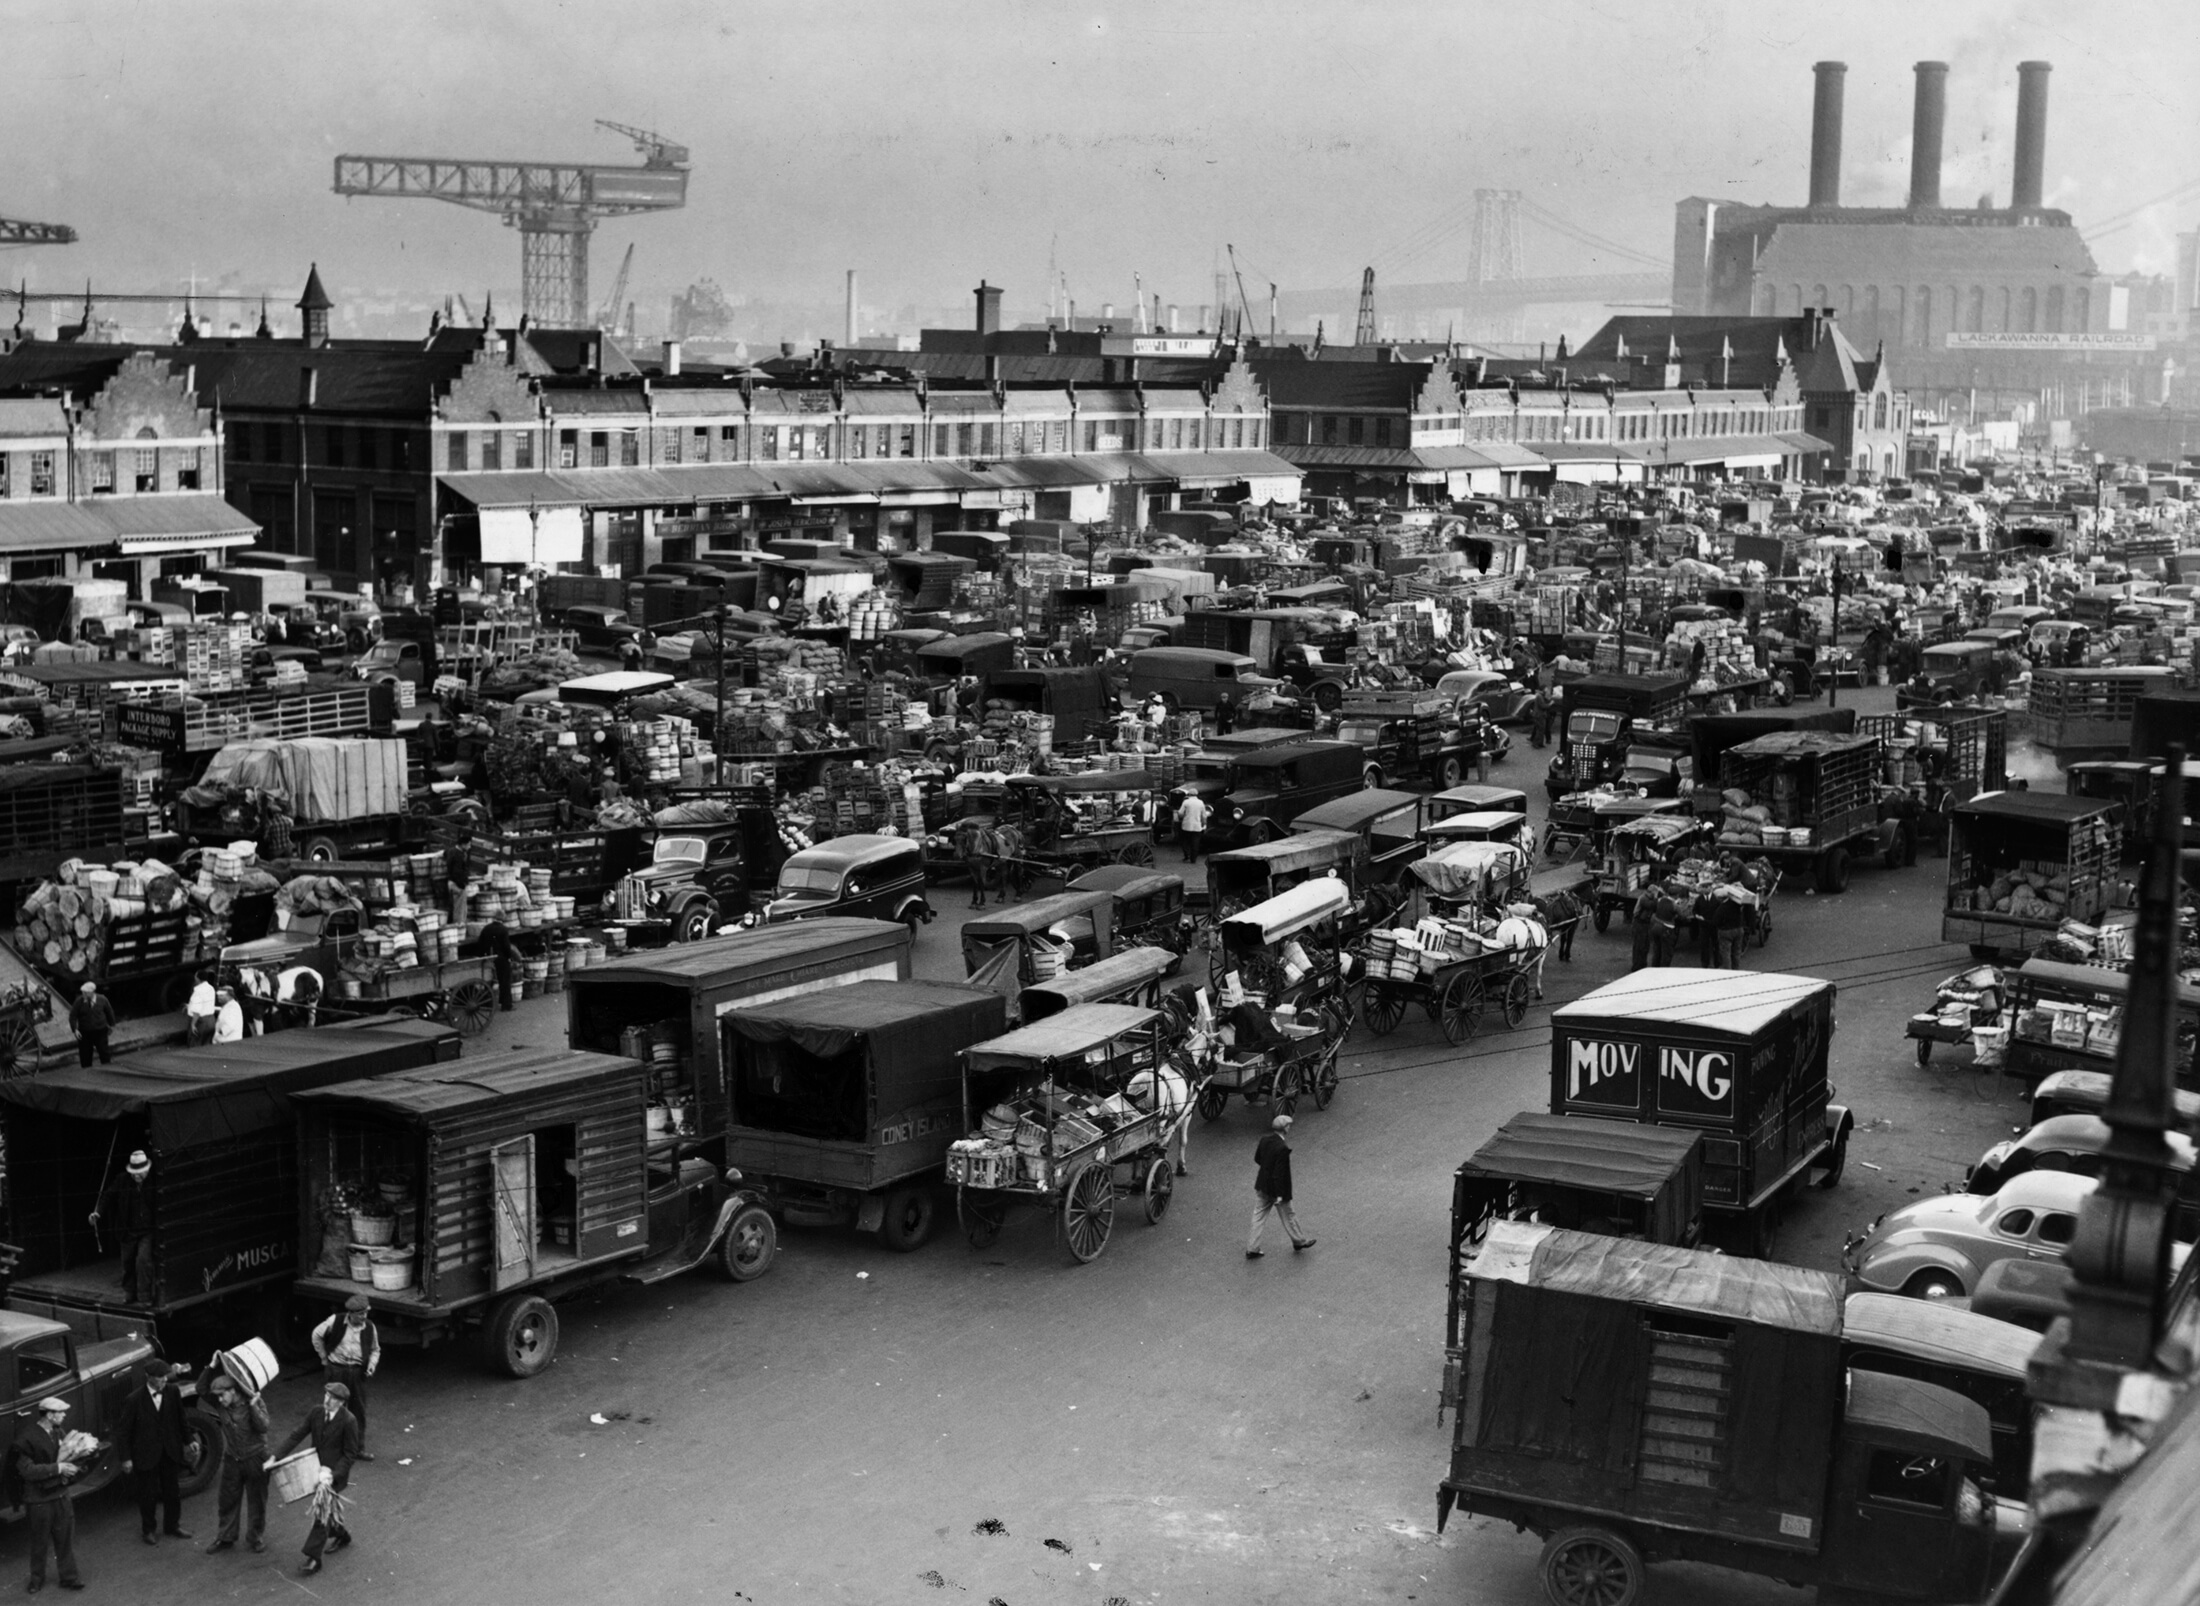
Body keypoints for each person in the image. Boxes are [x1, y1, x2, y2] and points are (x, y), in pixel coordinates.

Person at [275, 1380, 361, 1577]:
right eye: (326, 1395)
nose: (327, 1400)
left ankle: (314, 1558)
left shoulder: (349, 1421)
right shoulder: (316, 1412)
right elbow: (297, 1434)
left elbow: (350, 1454)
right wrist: (276, 1456)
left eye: (333, 1398)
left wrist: (332, 1475)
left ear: (342, 1403)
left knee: (322, 1513)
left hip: (333, 1476)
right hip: (314, 1470)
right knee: (328, 1511)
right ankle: (342, 1535)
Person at [12, 1396, 85, 1591]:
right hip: (39, 1501)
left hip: (60, 1496)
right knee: (39, 1543)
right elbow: (27, 1471)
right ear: (50, 1415)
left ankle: (69, 1577)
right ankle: (36, 1579)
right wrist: (58, 1468)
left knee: (65, 1540)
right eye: (60, 1412)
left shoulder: (58, 1431)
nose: (64, 1415)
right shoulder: (26, 1439)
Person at [196, 1365, 271, 1554]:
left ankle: (255, 1537)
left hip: (256, 1458)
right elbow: (200, 1389)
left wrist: (254, 1407)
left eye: (222, 1395)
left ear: (233, 1391)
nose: (219, 1400)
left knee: (257, 1501)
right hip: (233, 1459)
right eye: (218, 1397)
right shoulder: (221, 1404)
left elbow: (263, 1427)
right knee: (227, 1499)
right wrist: (210, 1367)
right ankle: (225, 1538)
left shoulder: (254, 1401)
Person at [118, 1360, 192, 1545]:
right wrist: (126, 1458)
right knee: (148, 1495)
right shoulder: (134, 1400)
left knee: (172, 1492)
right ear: (148, 1378)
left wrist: (189, 1440)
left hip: (169, 1451)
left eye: (165, 1376)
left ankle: (172, 1525)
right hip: (146, 1455)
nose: (164, 1380)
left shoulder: (173, 1392)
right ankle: (148, 1530)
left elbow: (181, 1418)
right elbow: (124, 1432)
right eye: (160, 1377)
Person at [311, 1295, 380, 1459]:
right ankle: (325, 1449)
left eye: (366, 1313)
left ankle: (357, 1449)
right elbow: (316, 1335)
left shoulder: (370, 1327)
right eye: (360, 1314)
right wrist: (323, 1357)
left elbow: (375, 1350)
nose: (364, 1317)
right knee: (331, 1410)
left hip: (357, 1374)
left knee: (358, 1412)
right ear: (350, 1314)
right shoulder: (335, 1321)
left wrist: (371, 1365)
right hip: (336, 1371)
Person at [92, 1149, 155, 1305]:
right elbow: (108, 1196)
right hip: (127, 1230)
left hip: (147, 1231)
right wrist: (97, 1212)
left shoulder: (154, 1181)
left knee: (143, 1261)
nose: (136, 1176)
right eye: (134, 1173)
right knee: (127, 1262)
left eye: (140, 1172)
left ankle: (144, 1296)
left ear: (146, 1170)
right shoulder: (122, 1180)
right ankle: (129, 1293)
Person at [1246, 1113, 1313, 1259]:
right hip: (1277, 1191)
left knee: (1258, 1217)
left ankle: (1252, 1248)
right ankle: (1299, 1241)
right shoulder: (1282, 1148)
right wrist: (1280, 1195)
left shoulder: (1264, 1140)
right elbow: (1280, 1174)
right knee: (1289, 1215)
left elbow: (1258, 1159)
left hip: (1262, 1186)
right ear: (1285, 1128)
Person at [68, 983, 114, 1067]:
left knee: (104, 1052)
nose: (83, 994)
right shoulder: (79, 1001)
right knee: (85, 1056)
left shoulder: (102, 999)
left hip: (100, 1030)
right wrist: (75, 1029)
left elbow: (109, 1012)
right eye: (83, 992)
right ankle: (87, 1072)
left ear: (92, 992)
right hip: (85, 1032)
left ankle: (108, 1070)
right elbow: (73, 1016)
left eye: (86, 993)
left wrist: (111, 1025)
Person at [1627, 882, 1659, 973]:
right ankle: (1636, 966)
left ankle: (1642, 965)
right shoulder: (1643, 899)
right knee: (1639, 946)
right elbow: (1652, 905)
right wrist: (1657, 897)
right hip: (1639, 924)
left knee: (1645, 946)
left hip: (1644, 924)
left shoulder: (1646, 897)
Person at [1175, 790, 1211, 864]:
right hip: (1197, 825)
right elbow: (1204, 815)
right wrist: (1204, 823)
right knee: (1195, 842)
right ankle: (1193, 858)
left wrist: (1180, 817)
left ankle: (1186, 854)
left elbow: (1180, 813)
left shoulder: (1186, 802)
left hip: (1186, 825)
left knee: (1185, 841)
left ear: (1189, 794)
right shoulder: (1200, 802)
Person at [185, 969, 218, 1046]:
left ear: (197, 978)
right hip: (211, 1020)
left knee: (195, 1044)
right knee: (206, 1044)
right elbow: (205, 1003)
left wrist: (193, 1024)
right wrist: (189, 1006)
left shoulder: (198, 991)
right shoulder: (211, 988)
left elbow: (197, 1011)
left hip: (200, 1022)